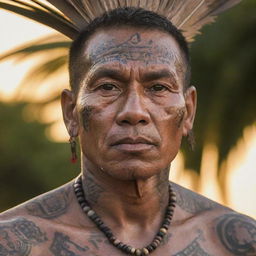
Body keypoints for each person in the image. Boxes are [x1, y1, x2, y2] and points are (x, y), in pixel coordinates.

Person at [0, 7, 255, 256]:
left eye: (158, 88)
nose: (134, 112)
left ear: (188, 111)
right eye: (108, 87)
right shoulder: (15, 244)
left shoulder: (239, 244)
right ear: (70, 113)